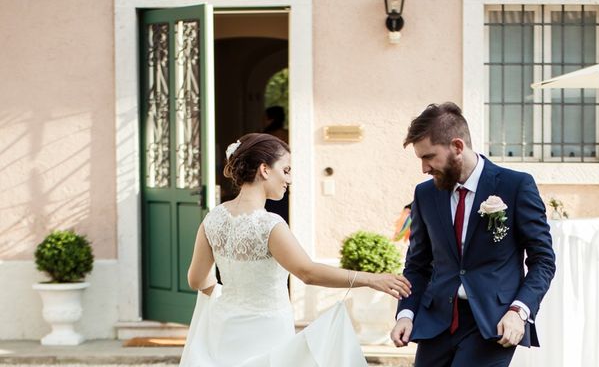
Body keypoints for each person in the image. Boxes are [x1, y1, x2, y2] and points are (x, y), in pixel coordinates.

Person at [180, 133, 411, 366]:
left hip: (225, 328)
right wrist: (372, 280)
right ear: (265, 170)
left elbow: (197, 280)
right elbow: (307, 272)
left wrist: (231, 297)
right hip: (267, 331)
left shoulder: (213, 219)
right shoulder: (269, 225)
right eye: (286, 170)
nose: (289, 179)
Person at [390, 102, 555, 367]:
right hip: (436, 322)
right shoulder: (425, 194)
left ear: (457, 147)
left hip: (492, 324)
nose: (424, 168)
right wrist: (406, 313)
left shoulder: (515, 186)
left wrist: (519, 311)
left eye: (429, 157)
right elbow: (417, 264)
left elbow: (543, 261)